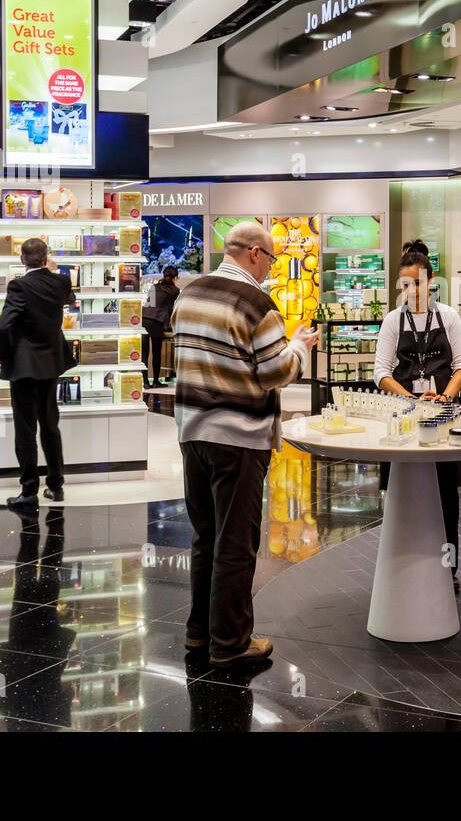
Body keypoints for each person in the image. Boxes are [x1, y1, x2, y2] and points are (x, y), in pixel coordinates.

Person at [172, 221, 319, 670]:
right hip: (237, 438)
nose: (270, 269)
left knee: (206, 537)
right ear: (255, 253)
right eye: (271, 259)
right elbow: (277, 372)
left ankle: (200, 634)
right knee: (236, 543)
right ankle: (232, 642)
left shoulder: (189, 293)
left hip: (192, 432)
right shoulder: (256, 302)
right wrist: (299, 345)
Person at [373, 238, 461, 590]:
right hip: (402, 418)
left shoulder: (450, 317)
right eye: (405, 284)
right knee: (403, 492)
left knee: (447, 496)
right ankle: (403, 567)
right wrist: (411, 401)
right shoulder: (391, 322)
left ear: (432, 281)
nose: (411, 290)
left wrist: (443, 397)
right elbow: (381, 373)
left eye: (417, 282)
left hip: (441, 419)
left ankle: (449, 569)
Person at [0, 238, 76, 508]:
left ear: (21, 260)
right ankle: (56, 485)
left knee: (25, 429)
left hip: (24, 365)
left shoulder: (19, 285)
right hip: (52, 362)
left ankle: (28, 491)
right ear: (46, 257)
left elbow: (5, 325)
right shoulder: (61, 282)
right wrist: (51, 270)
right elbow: (69, 299)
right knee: (51, 425)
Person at [141, 265, 180, 389]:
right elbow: (171, 309)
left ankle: (146, 382)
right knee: (156, 352)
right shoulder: (175, 291)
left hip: (144, 319)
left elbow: (150, 304)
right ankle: (156, 381)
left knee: (145, 353)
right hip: (157, 321)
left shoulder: (154, 287)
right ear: (175, 278)